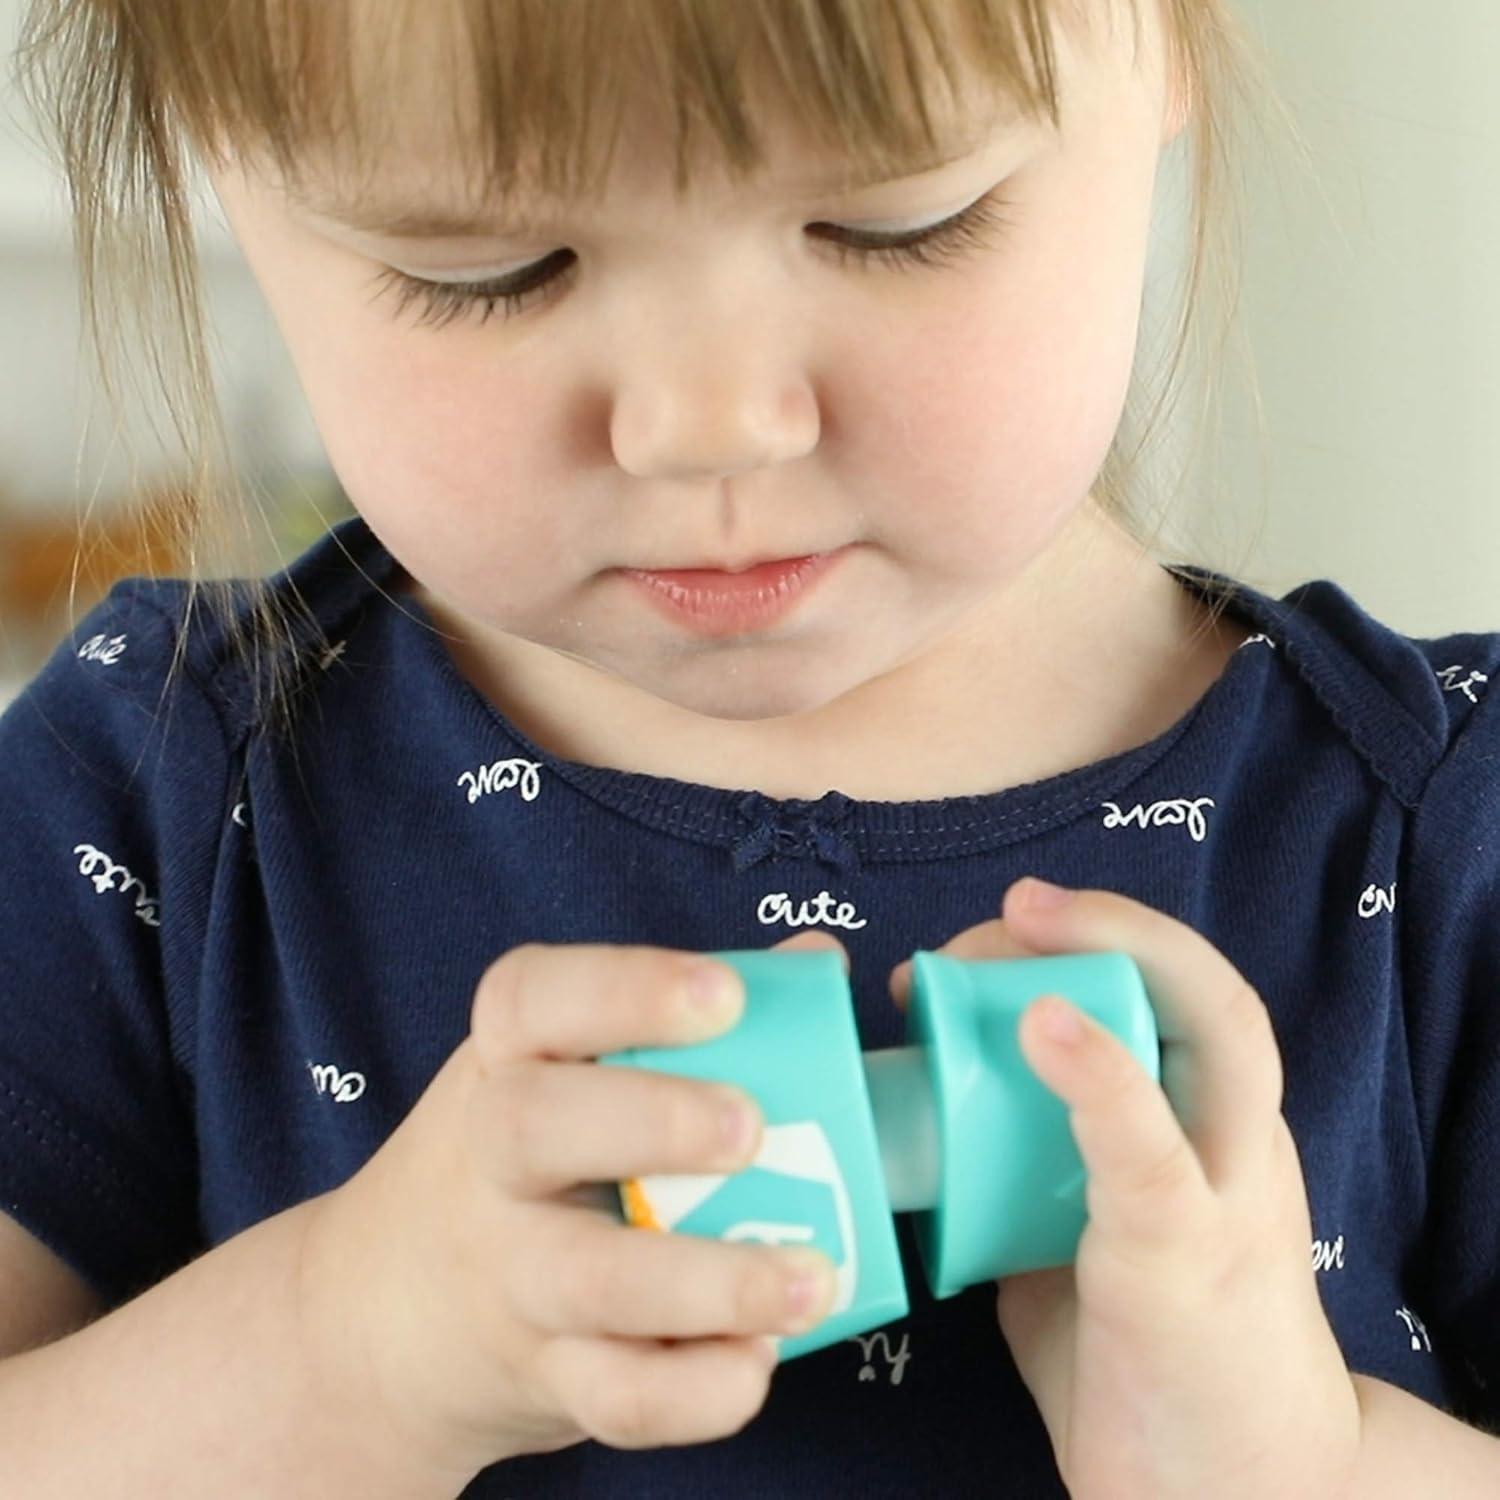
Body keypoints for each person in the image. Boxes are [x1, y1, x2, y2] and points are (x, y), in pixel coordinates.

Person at [3, 0, 1499, 1495]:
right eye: (489, 269)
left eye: (894, 223)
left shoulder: (1448, 834)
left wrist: (1301, 1466)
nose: (707, 426)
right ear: (223, 157)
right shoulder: (144, 791)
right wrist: (336, 1351)